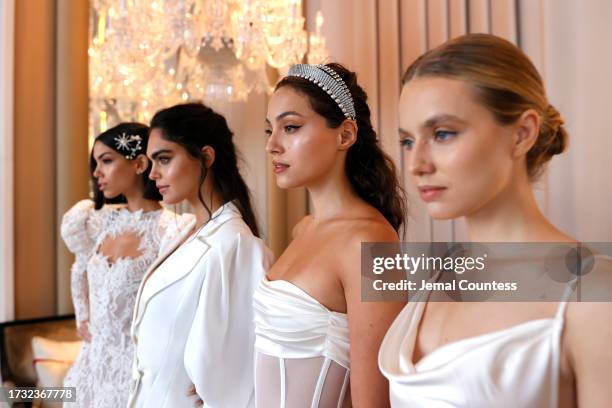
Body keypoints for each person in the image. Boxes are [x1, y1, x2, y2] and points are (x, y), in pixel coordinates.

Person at [378, 33, 612, 407]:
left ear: (522, 134)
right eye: (407, 140)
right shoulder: (436, 278)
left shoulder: (593, 295)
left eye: (442, 134)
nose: (417, 164)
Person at [256, 62, 407, 407]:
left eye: (290, 127)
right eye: (270, 131)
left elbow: (376, 401)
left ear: (345, 135)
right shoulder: (304, 228)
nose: (273, 146)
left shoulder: (369, 242)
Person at [127, 103, 273, 408]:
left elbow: (236, 377)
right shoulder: (182, 234)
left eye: (164, 159)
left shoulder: (234, 244)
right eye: (151, 162)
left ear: (206, 156)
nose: (153, 174)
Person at [62, 122, 181, 407]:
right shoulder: (98, 222)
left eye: (106, 161)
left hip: (137, 372)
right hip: (91, 366)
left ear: (140, 163)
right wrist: (83, 319)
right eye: (96, 163)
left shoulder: (171, 230)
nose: (96, 172)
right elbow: (80, 268)